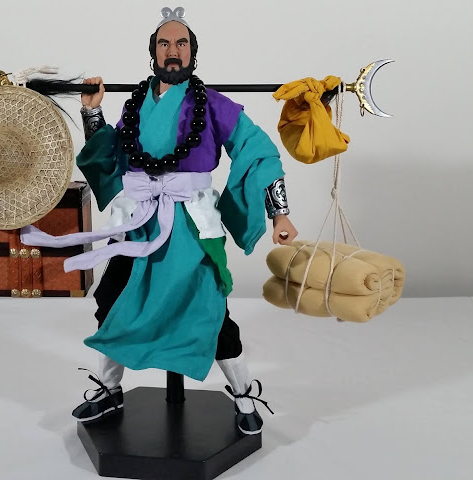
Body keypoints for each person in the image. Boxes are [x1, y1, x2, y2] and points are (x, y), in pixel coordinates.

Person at [21, 6, 297, 435]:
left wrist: (279, 212)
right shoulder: (135, 106)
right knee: (113, 301)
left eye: (181, 43)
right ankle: (110, 390)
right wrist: (92, 111)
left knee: (209, 311)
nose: (173, 51)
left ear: (193, 53)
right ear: (152, 53)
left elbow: (258, 151)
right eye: (164, 43)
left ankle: (244, 393)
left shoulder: (214, 105)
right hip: (138, 222)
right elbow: (110, 157)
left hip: (192, 224)